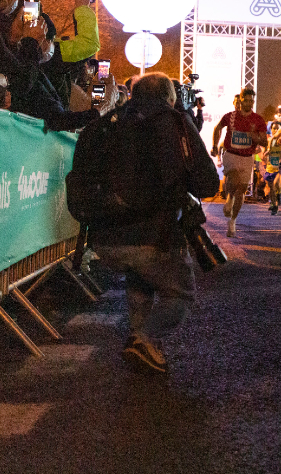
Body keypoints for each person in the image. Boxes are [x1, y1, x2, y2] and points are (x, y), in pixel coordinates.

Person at [89, 72, 219, 374]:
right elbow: (208, 182)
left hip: (106, 233)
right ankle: (145, 338)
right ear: (169, 97)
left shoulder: (111, 120)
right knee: (180, 293)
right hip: (155, 230)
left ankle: (142, 345)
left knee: (141, 276)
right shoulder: (174, 122)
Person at [210, 88, 267, 237]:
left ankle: (233, 220)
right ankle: (229, 197)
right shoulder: (230, 116)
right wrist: (214, 146)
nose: (248, 103)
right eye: (246, 100)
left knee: (241, 189)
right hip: (231, 154)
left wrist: (254, 136)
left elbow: (265, 142)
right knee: (233, 178)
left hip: (247, 157)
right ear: (240, 100)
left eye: (251, 101)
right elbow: (218, 128)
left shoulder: (258, 120)